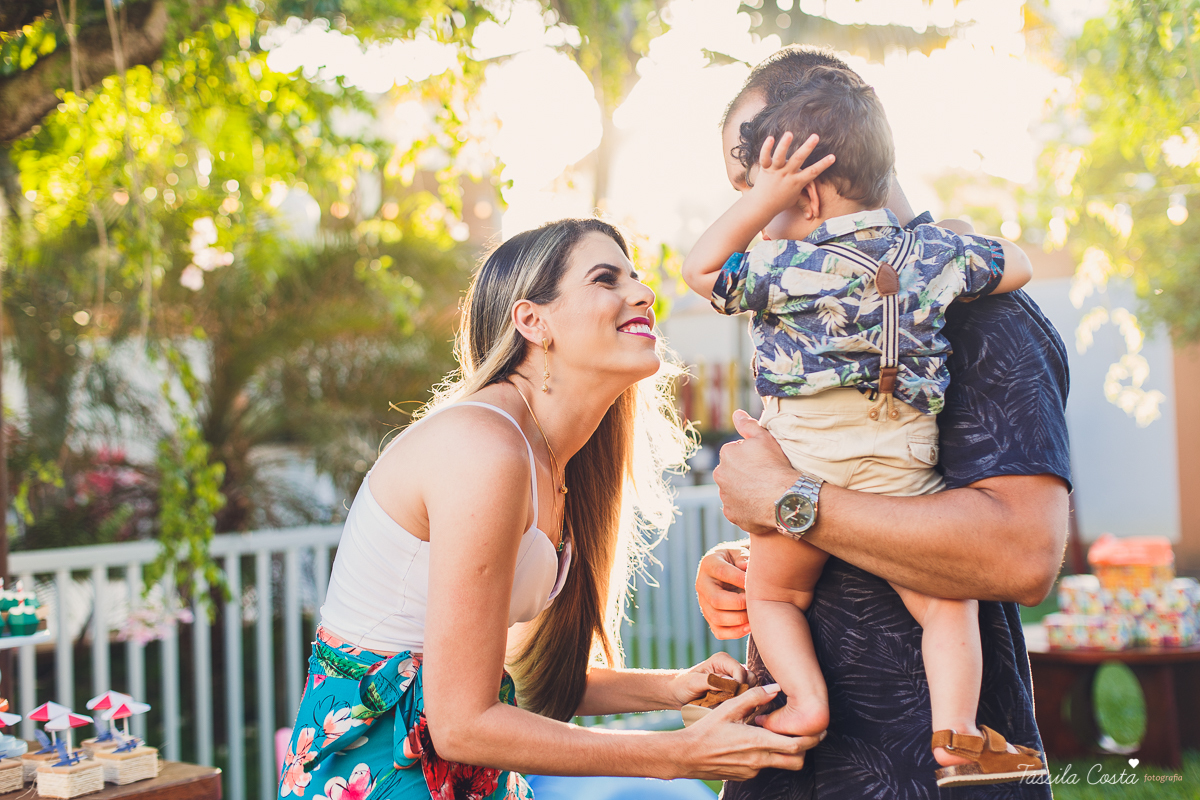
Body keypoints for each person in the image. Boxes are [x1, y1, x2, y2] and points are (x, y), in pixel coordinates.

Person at [278, 218, 818, 800]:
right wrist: (676, 755)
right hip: (373, 772)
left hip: (464, 775)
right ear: (532, 321)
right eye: (606, 279)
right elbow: (461, 721)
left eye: (635, 277)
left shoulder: (555, 464)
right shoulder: (483, 446)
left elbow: (523, 676)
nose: (642, 293)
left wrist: (670, 688)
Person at [695, 47, 1071, 799]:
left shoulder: (985, 319)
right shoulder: (933, 269)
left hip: (913, 779)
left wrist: (788, 501)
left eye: (758, 185)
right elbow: (839, 497)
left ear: (805, 179)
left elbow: (1022, 553)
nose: (754, 214)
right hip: (797, 770)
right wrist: (744, 556)